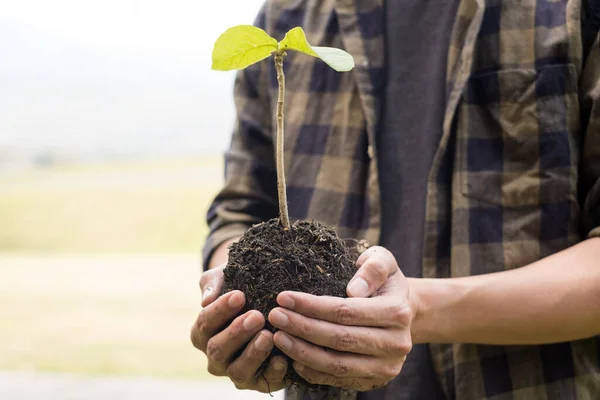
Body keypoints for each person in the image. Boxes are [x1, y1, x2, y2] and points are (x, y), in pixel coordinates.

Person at [191, 0, 600, 399]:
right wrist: (233, 304)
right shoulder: (288, 12)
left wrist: (419, 309)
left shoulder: (572, 10)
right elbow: (240, 210)